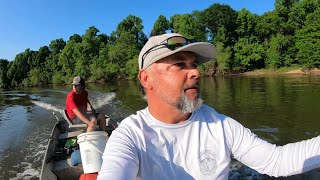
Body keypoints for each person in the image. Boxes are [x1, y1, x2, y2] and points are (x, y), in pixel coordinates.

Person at [98, 33, 320, 179]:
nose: (196, 72)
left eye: (194, 65)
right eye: (179, 65)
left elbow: (277, 161)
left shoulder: (219, 125)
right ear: (146, 79)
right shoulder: (129, 136)